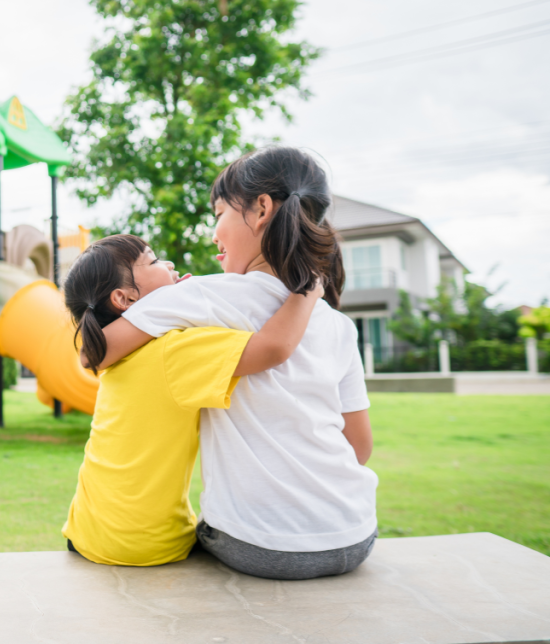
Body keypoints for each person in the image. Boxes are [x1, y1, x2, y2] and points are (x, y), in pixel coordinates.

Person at [97, 147, 377, 580]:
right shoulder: (338, 325)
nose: (214, 233)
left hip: (262, 545)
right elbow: (359, 449)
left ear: (261, 208)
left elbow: (99, 351)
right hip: (355, 534)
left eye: (219, 213)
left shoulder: (202, 296)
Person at [61, 234, 322, 566]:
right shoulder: (174, 351)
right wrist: (309, 289)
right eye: (154, 261)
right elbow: (273, 348)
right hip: (144, 543)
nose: (168, 264)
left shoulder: (120, 355)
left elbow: (89, 354)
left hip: (86, 530)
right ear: (124, 298)